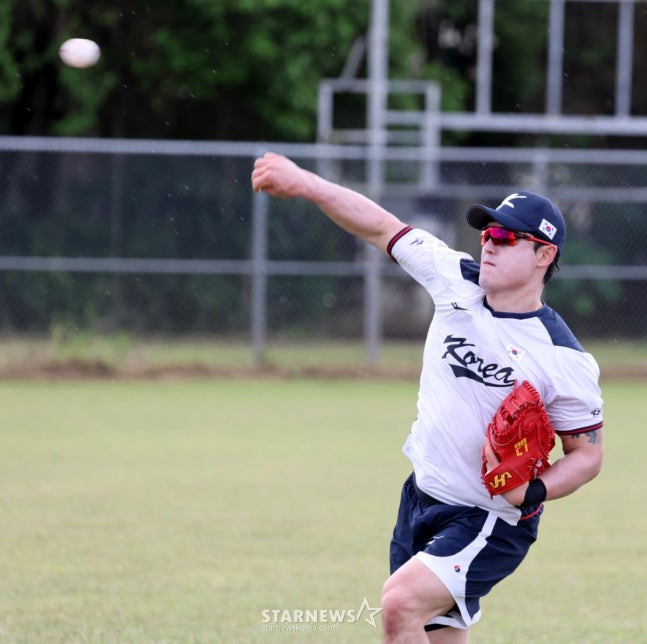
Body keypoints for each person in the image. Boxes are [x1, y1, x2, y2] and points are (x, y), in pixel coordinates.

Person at [251, 152, 604, 643]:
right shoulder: (453, 280)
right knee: (430, 632)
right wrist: (307, 183)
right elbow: (379, 226)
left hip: (488, 519)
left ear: (544, 255)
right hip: (420, 498)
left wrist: (536, 490)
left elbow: (587, 455)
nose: (489, 246)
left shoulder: (564, 358)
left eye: (505, 237)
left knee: (398, 604)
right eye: (486, 235)